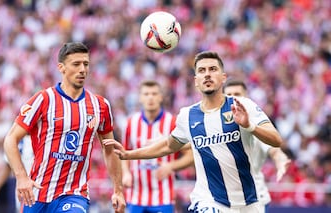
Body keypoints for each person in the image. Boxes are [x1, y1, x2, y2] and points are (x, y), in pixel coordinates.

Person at [103, 51, 283, 213]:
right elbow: (168, 146)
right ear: (196, 80)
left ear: (223, 77)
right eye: (202, 70)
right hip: (209, 201)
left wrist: (249, 125)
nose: (207, 74)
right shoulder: (187, 115)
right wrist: (128, 154)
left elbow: (276, 140)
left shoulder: (243, 106)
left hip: (248, 202)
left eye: (212, 69)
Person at [3, 42, 126, 213]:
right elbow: (10, 140)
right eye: (76, 64)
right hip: (37, 192)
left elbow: (110, 150)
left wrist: (118, 190)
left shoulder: (100, 105)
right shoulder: (44, 100)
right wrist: (21, 177)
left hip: (75, 193)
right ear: (61, 67)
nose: (82, 69)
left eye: (86, 64)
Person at [121, 80, 193, 213]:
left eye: (154, 93)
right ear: (140, 97)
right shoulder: (131, 123)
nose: (150, 97)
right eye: (146, 94)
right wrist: (125, 173)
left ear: (161, 97)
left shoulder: (172, 122)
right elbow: (124, 153)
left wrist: (171, 166)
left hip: (163, 195)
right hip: (135, 195)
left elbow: (191, 155)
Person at [223, 79, 291, 212]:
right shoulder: (216, 126)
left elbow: (274, 150)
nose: (233, 98)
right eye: (229, 95)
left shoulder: (252, 125)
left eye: (237, 94)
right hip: (226, 198)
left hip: (254, 197)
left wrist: (280, 160)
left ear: (246, 97)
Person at [0, 136, 34, 212]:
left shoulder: (49, 136)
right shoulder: (18, 139)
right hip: (25, 193)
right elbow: (8, 165)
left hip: (48, 191)